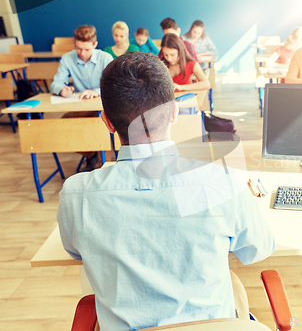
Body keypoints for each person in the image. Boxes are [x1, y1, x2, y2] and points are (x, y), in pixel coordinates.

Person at [57, 51, 275, 330]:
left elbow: (76, 251)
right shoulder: (221, 180)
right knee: (234, 287)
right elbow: (258, 249)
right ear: (174, 112)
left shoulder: (76, 194)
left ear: (107, 122)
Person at [51, 25, 113, 171]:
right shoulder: (67, 58)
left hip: (105, 108)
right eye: (78, 48)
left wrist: (97, 91)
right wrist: (61, 89)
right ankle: (91, 154)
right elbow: (55, 83)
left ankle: (102, 165)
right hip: (82, 108)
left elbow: (114, 84)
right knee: (62, 127)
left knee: (102, 127)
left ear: (95, 45)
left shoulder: (105, 58)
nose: (82, 53)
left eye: (86, 49)